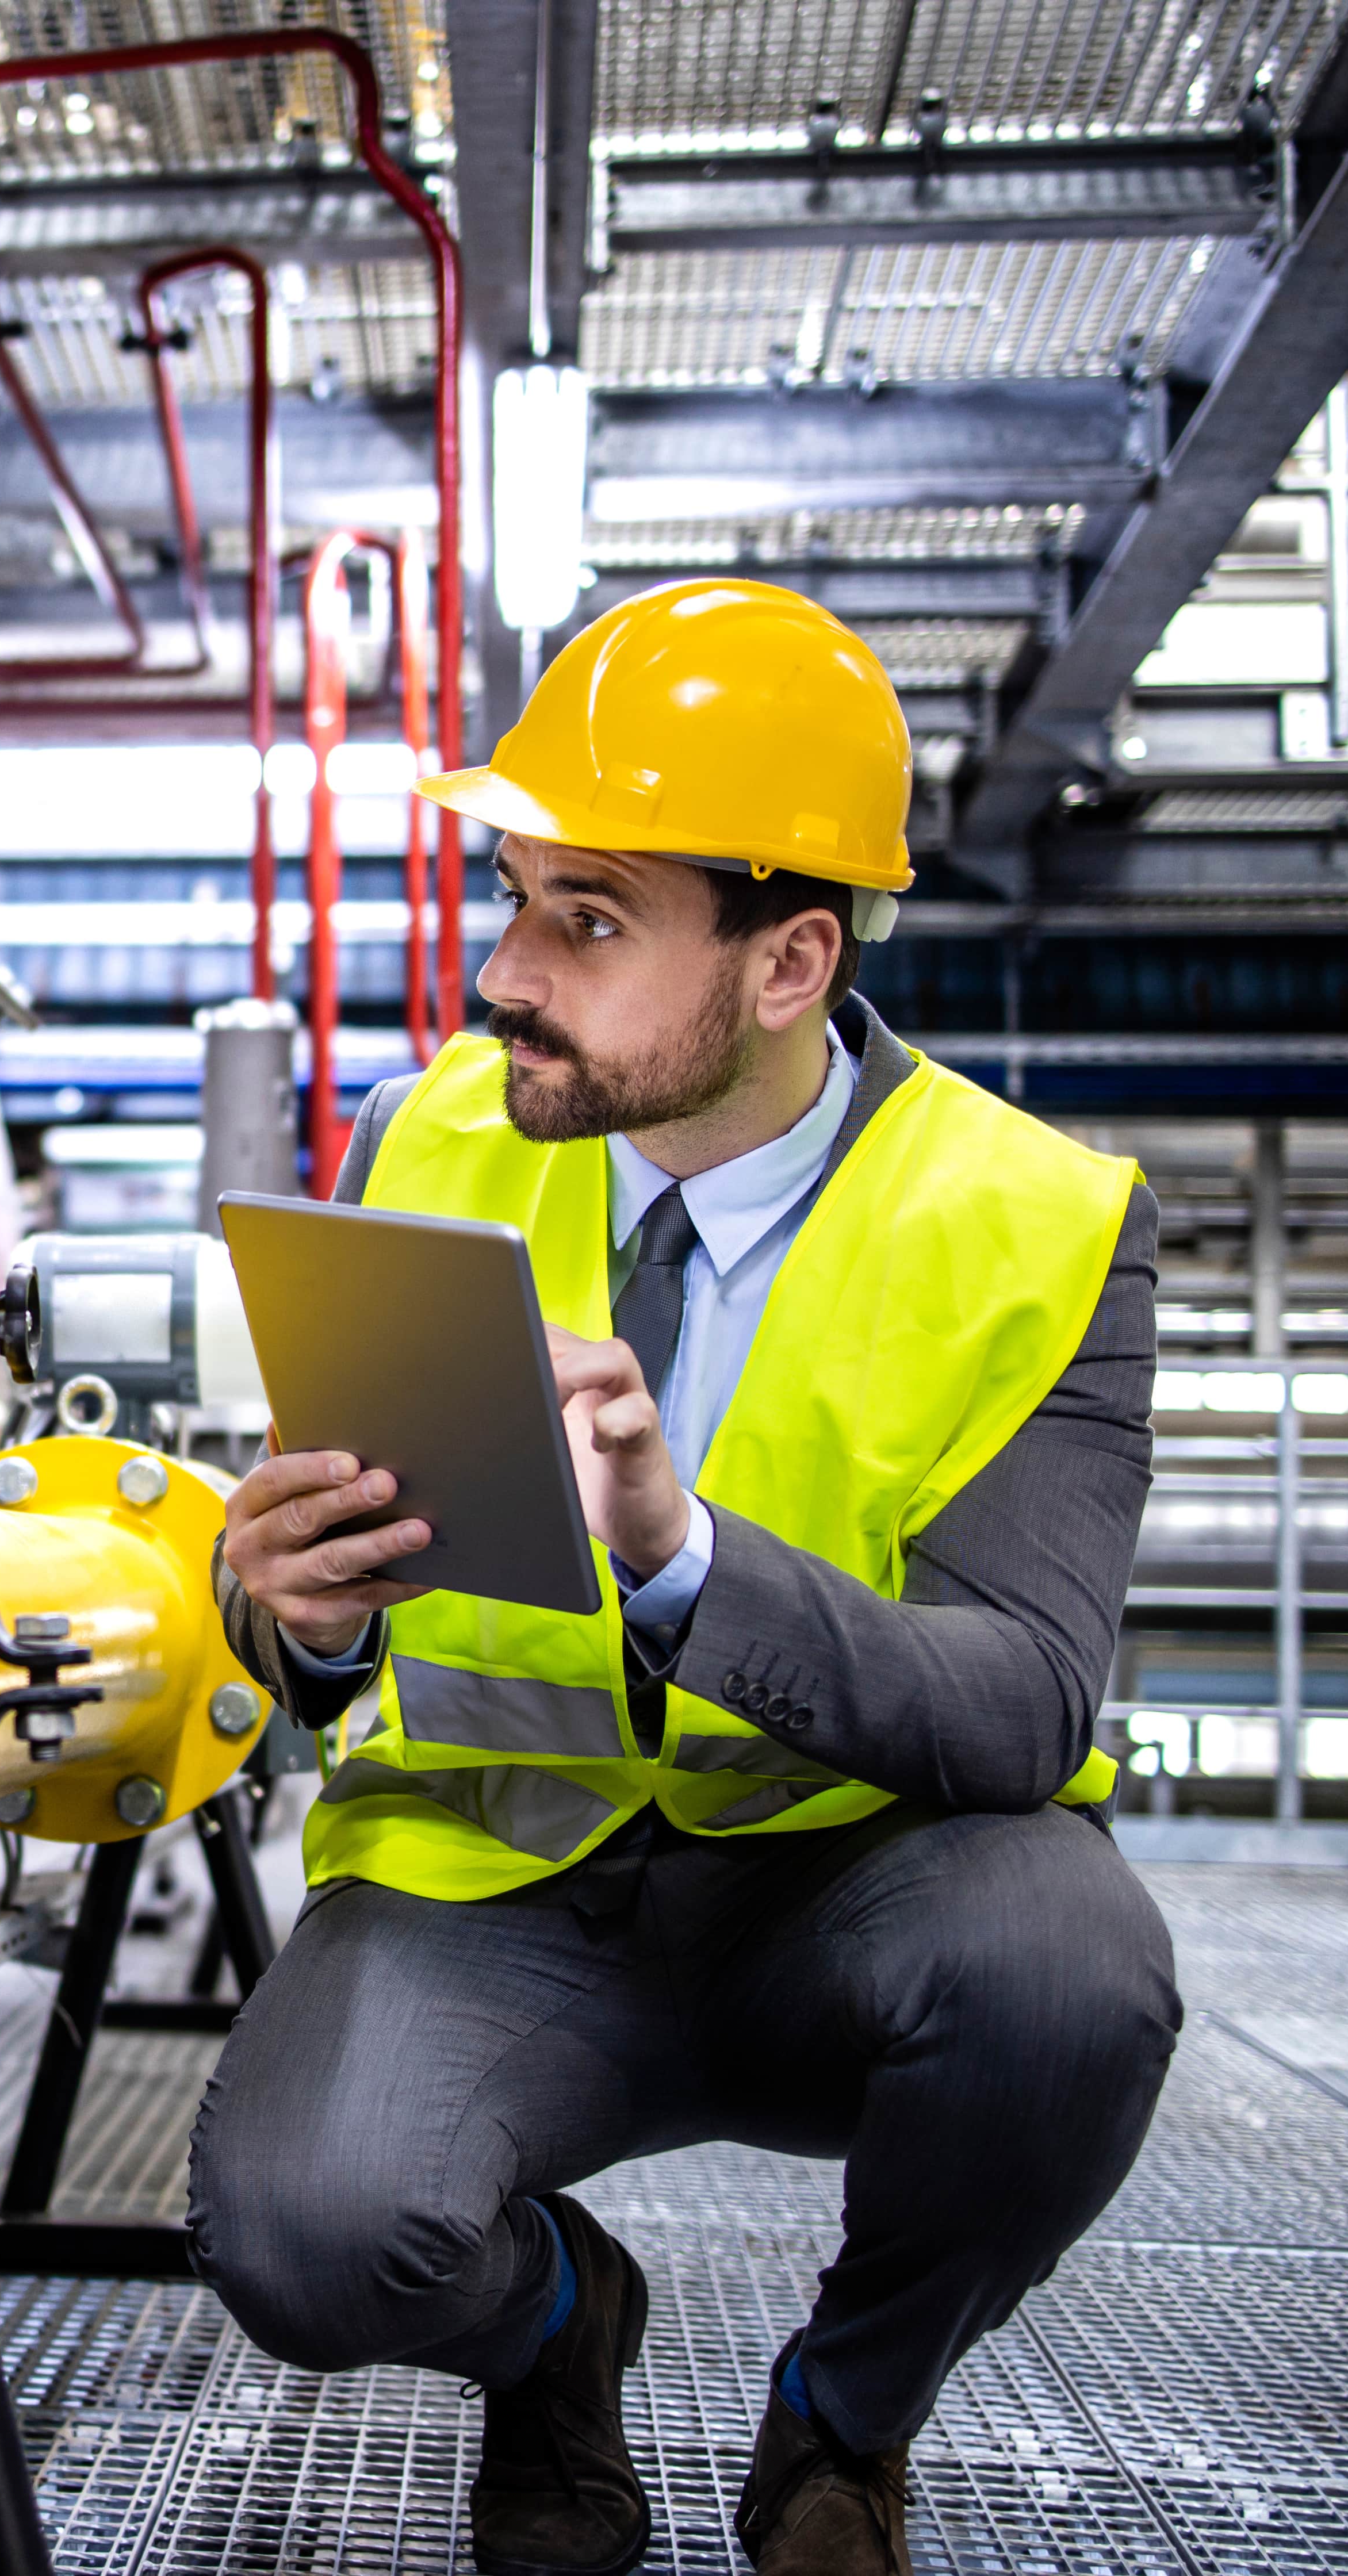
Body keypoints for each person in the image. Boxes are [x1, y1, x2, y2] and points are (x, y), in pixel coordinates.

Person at [189, 580, 1180, 2576]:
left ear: (792, 956)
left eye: (589, 920)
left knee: (1072, 1988)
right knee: (300, 2237)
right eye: (520, 898)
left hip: (853, 1890)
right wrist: (299, 1611)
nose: (502, 975)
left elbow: (1021, 1706)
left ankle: (843, 2421)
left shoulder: (1042, 1230)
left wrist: (682, 1561)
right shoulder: (428, 1139)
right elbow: (318, 1609)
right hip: (500, 1875)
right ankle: (564, 2334)